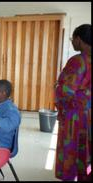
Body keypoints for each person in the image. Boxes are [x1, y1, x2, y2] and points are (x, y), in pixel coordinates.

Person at [55, 24, 91, 181]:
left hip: (76, 114)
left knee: (73, 147)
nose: (72, 42)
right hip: (89, 113)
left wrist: (57, 87)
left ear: (79, 40)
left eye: (72, 39)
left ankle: (70, 176)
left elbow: (66, 91)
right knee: (87, 147)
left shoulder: (78, 61)